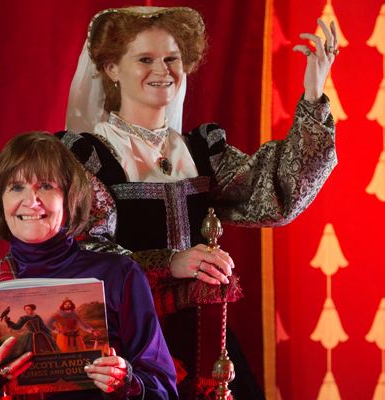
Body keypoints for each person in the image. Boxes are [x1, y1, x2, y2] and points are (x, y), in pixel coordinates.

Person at [58, 6, 339, 399]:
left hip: (204, 338)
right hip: (125, 344)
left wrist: (313, 94)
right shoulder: (85, 157)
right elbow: (80, 254)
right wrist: (171, 261)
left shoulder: (203, 151)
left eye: (172, 58)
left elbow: (277, 193)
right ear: (111, 69)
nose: (163, 70)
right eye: (145, 59)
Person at [0, 132, 177, 400]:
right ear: (0, 202)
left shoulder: (119, 274)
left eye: (46, 186)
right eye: (16, 187)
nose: (31, 201)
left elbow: (163, 390)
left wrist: (126, 381)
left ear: (70, 198)